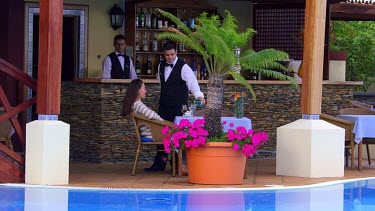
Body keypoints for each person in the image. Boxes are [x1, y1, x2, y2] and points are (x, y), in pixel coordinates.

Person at [145, 42, 206, 172]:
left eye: (172, 54)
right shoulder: (161, 65)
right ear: (164, 54)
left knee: (177, 136)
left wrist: (199, 96)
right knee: (162, 135)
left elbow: (193, 83)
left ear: (176, 52)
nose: (170, 57)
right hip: (164, 106)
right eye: (167, 55)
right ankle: (160, 163)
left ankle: (176, 164)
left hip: (179, 108)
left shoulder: (184, 67)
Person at [122, 79, 169, 171]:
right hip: (153, 134)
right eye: (144, 88)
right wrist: (164, 122)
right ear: (137, 90)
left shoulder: (134, 104)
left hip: (150, 133)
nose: (146, 90)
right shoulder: (138, 105)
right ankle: (179, 166)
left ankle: (166, 163)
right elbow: (151, 115)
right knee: (182, 135)